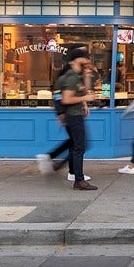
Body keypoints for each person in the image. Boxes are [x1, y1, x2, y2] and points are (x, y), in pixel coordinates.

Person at [35, 47, 98, 190]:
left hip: (76, 114)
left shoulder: (77, 75)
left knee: (77, 145)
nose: (87, 59)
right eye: (84, 57)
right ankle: (78, 180)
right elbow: (66, 99)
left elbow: (81, 90)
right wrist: (85, 98)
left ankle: (66, 169)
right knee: (79, 146)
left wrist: (84, 100)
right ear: (76, 60)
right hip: (74, 116)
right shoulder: (70, 76)